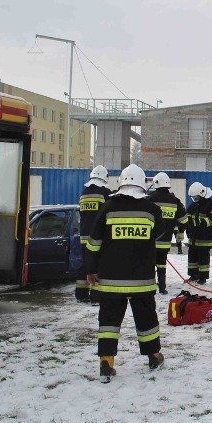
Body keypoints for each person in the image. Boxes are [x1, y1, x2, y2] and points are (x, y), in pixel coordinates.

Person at [84, 164, 164, 383]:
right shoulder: (151, 210)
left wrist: (90, 269)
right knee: (146, 319)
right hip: (142, 281)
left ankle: (106, 361)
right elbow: (159, 235)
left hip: (111, 280)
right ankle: (154, 356)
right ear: (141, 185)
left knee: (109, 321)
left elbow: (93, 243)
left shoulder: (108, 208)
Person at [76, 165, 112, 303]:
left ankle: (80, 293)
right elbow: (109, 213)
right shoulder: (104, 192)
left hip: (84, 236)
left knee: (85, 264)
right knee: (98, 265)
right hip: (98, 237)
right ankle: (96, 297)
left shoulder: (84, 193)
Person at [147, 172, 185, 294]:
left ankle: (150, 286)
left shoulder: (150, 199)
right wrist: (181, 232)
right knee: (162, 264)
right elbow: (184, 220)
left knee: (149, 263)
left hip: (150, 241)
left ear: (156, 183)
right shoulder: (175, 201)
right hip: (165, 241)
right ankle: (162, 287)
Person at [182, 182, 212, 285]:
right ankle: (193, 275)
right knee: (192, 257)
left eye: (196, 197)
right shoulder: (194, 204)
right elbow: (187, 214)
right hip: (193, 237)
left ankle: (203, 277)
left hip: (204, 238)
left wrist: (198, 222)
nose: (194, 199)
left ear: (201, 194)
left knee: (203, 258)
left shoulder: (210, 204)